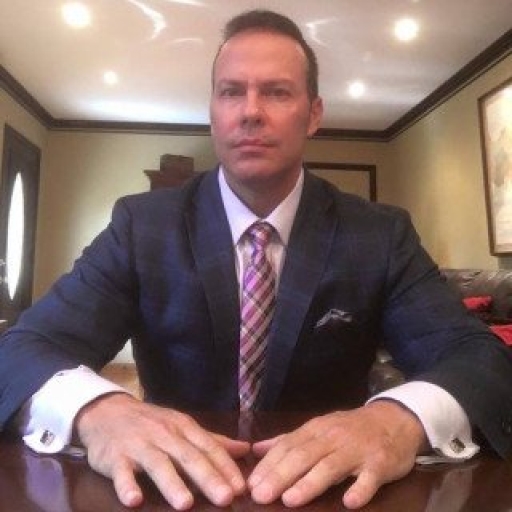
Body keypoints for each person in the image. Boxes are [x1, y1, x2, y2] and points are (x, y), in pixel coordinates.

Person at [1, 8, 512, 511]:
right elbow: (22, 349)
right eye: (231, 92)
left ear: (314, 114)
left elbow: (479, 359)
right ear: (212, 111)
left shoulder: (379, 235)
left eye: (276, 92)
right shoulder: (141, 226)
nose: (250, 111)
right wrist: (98, 410)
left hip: (328, 495)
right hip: (171, 491)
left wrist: (397, 420)